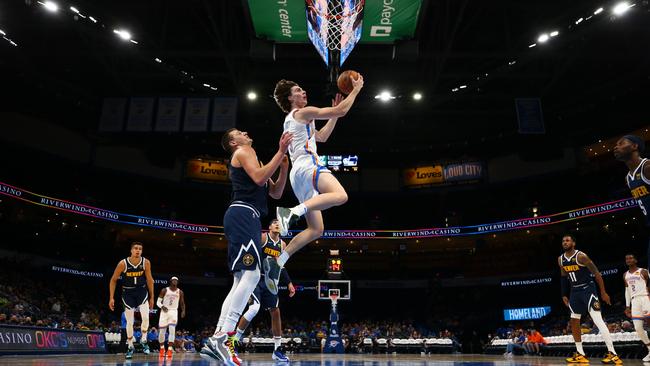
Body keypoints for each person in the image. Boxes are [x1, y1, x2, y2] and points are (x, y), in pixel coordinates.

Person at [199, 128, 291, 366]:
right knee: (250, 275)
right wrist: (280, 149)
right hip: (243, 213)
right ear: (233, 141)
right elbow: (260, 178)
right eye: (239, 132)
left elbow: (276, 192)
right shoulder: (244, 150)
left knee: (241, 280)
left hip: (246, 216)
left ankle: (216, 338)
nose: (246, 132)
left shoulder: (256, 158)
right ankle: (223, 336)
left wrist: (283, 167)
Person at [266, 74, 364, 293]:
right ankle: (291, 213)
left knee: (316, 229)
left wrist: (334, 114)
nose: (303, 92)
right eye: (298, 90)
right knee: (341, 195)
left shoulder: (295, 120)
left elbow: (322, 137)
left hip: (297, 174)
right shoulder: (302, 112)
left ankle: (278, 263)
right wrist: (356, 89)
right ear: (290, 99)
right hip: (308, 166)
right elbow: (342, 111)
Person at [234, 219, 297, 362]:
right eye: (274, 223)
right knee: (254, 308)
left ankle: (277, 350)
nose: (277, 225)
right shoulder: (263, 238)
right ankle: (234, 341)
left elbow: (281, 266)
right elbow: (249, 252)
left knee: (276, 311)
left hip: (271, 281)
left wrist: (289, 283)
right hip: (256, 278)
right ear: (269, 227)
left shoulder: (283, 245)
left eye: (279, 224)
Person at [559, 234, 622, 364]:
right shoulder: (560, 260)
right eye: (563, 241)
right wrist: (564, 294)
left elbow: (597, 274)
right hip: (574, 292)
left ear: (573, 243)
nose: (565, 242)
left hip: (588, 290)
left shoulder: (581, 256)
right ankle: (581, 354)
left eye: (568, 240)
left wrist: (603, 292)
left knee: (597, 319)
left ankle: (613, 353)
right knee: (574, 321)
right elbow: (563, 277)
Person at [108, 241, 155, 359]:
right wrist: (111, 297)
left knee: (145, 317)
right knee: (130, 322)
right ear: (131, 250)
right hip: (127, 293)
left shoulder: (146, 262)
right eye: (136, 248)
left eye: (140, 249)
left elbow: (150, 280)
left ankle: (144, 340)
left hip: (141, 291)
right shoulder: (122, 263)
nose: (138, 250)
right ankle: (130, 347)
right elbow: (113, 280)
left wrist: (152, 297)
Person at [614, 135, 650, 269]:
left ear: (635, 146)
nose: (616, 147)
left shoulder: (647, 167)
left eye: (621, 143)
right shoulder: (628, 178)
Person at [623, 253, 650, 361]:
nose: (628, 260)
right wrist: (627, 306)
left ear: (636, 260)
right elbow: (627, 291)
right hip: (634, 301)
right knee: (638, 328)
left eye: (630, 258)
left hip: (645, 297)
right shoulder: (625, 275)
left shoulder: (643, 271)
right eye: (626, 259)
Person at [157, 276, 186, 357]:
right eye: (173, 280)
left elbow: (182, 303)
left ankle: (169, 350)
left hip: (173, 311)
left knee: (172, 331)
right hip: (164, 311)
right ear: (170, 281)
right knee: (162, 332)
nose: (175, 281)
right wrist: (162, 306)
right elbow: (158, 302)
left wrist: (183, 311)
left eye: (176, 280)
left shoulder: (180, 292)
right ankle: (162, 348)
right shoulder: (164, 290)